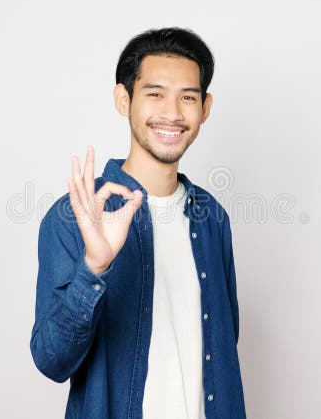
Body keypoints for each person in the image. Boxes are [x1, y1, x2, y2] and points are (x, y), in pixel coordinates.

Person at [30, 27, 246, 419]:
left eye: (188, 97)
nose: (173, 113)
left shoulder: (212, 218)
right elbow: (51, 360)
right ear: (123, 99)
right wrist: (94, 267)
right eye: (155, 94)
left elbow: (224, 341)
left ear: (206, 108)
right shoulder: (74, 216)